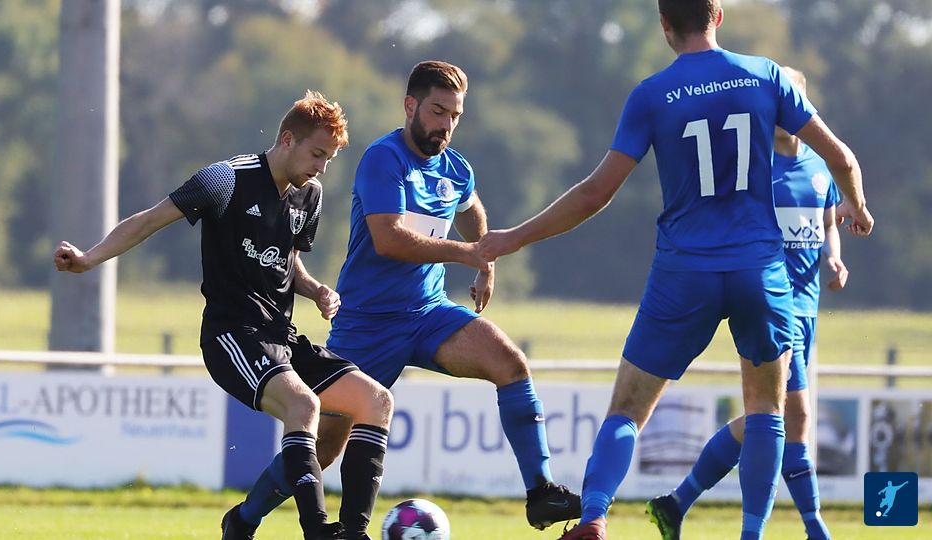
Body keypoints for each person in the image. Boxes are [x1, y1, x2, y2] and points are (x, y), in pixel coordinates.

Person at [477, 1, 874, 539]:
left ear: (664, 25)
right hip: (759, 269)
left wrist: (513, 237)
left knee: (628, 408)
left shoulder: (652, 94)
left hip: (684, 272)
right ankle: (751, 535)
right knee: (766, 408)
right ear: (718, 15)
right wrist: (857, 207)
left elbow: (594, 193)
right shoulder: (765, 75)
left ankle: (594, 517)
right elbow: (842, 158)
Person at [53, 90, 393, 540]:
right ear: (287, 139)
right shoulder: (225, 180)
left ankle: (350, 532)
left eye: (328, 159)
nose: (322, 167)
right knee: (304, 406)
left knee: (376, 401)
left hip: (282, 335)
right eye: (317, 154)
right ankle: (317, 531)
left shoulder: (309, 195)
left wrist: (315, 290)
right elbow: (148, 220)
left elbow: (285, 260)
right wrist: (88, 258)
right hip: (231, 335)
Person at [315, 60, 581, 531]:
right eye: (438, 111)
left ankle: (541, 493)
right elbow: (389, 240)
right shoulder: (383, 159)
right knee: (324, 445)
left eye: (455, 115)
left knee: (510, 364)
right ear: (410, 105)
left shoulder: (455, 168)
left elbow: (471, 209)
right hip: (368, 324)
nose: (446, 124)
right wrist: (468, 254)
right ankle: (247, 517)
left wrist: (485, 263)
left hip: (428, 315)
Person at [645, 66, 847, 540]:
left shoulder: (820, 168)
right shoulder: (754, 168)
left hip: (808, 307)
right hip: (772, 306)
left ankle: (677, 502)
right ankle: (813, 529)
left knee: (765, 418)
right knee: (793, 418)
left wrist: (834, 258)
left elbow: (828, 222)